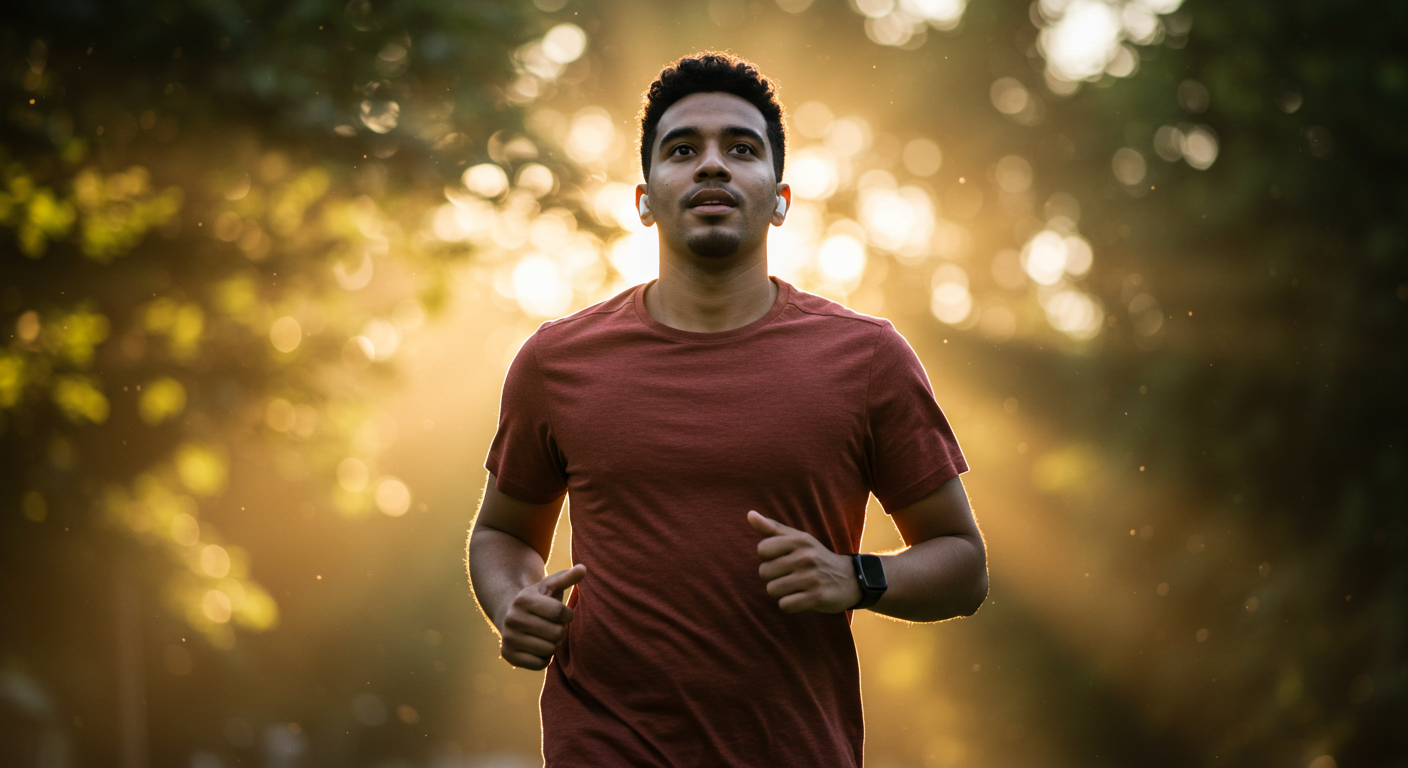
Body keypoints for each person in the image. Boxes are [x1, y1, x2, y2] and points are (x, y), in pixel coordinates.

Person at [467, 51, 987, 767]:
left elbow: (963, 566)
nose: (712, 166)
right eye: (683, 150)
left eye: (741, 149)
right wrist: (512, 603)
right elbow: (502, 532)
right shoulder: (555, 362)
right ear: (645, 197)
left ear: (779, 197)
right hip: (605, 744)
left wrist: (859, 578)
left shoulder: (868, 359)